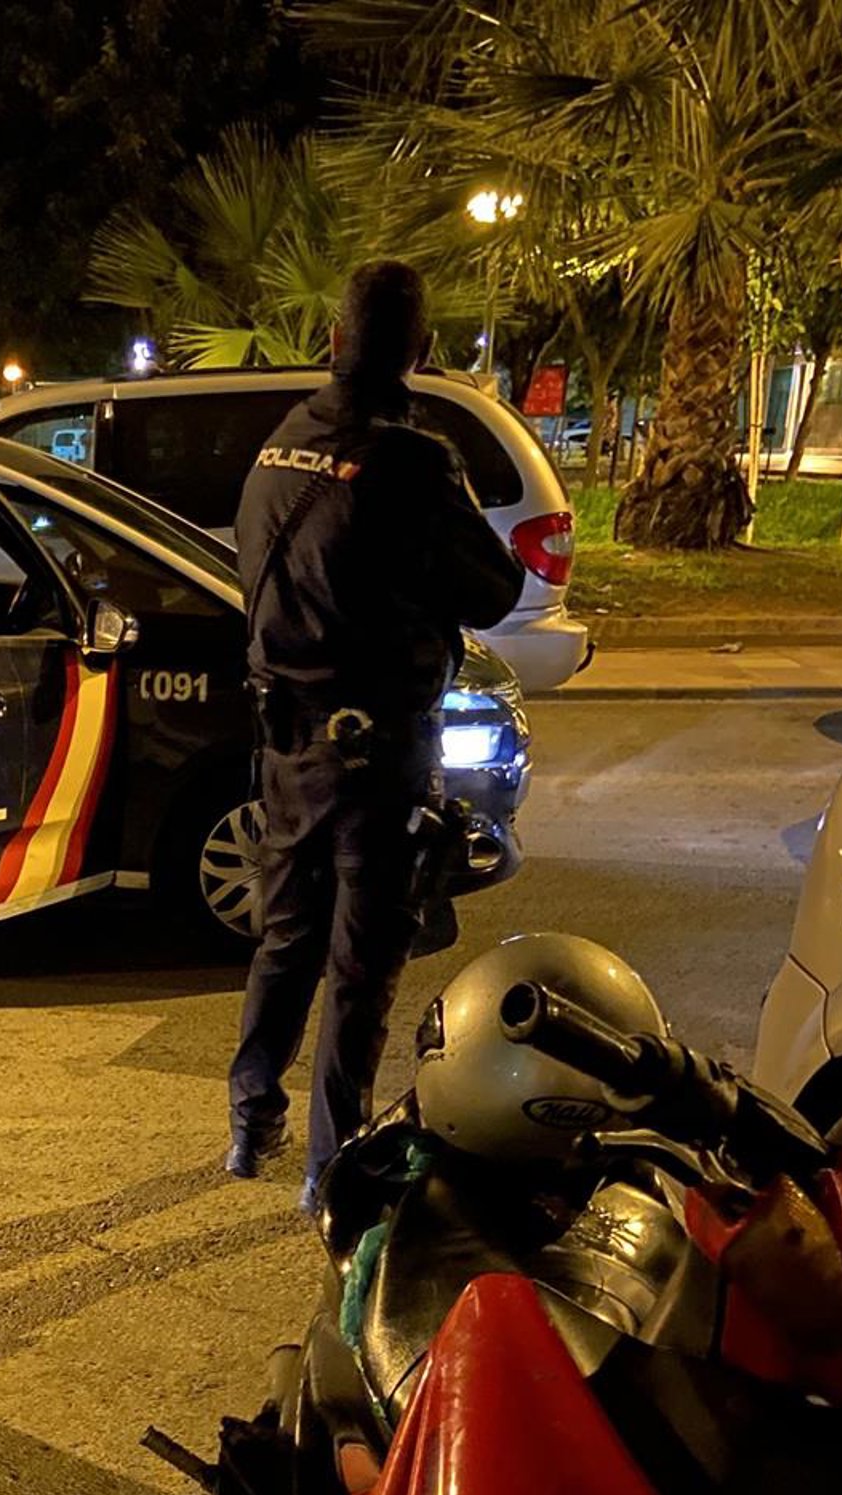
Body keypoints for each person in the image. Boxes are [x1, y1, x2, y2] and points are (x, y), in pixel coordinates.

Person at [225, 260, 525, 1209]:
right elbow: (496, 589)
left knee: (286, 937)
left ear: (332, 342)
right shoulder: (413, 460)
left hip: (285, 740)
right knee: (360, 966)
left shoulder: (283, 441)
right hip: (375, 751)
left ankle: (250, 1120)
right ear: (419, 352)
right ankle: (333, 1168)